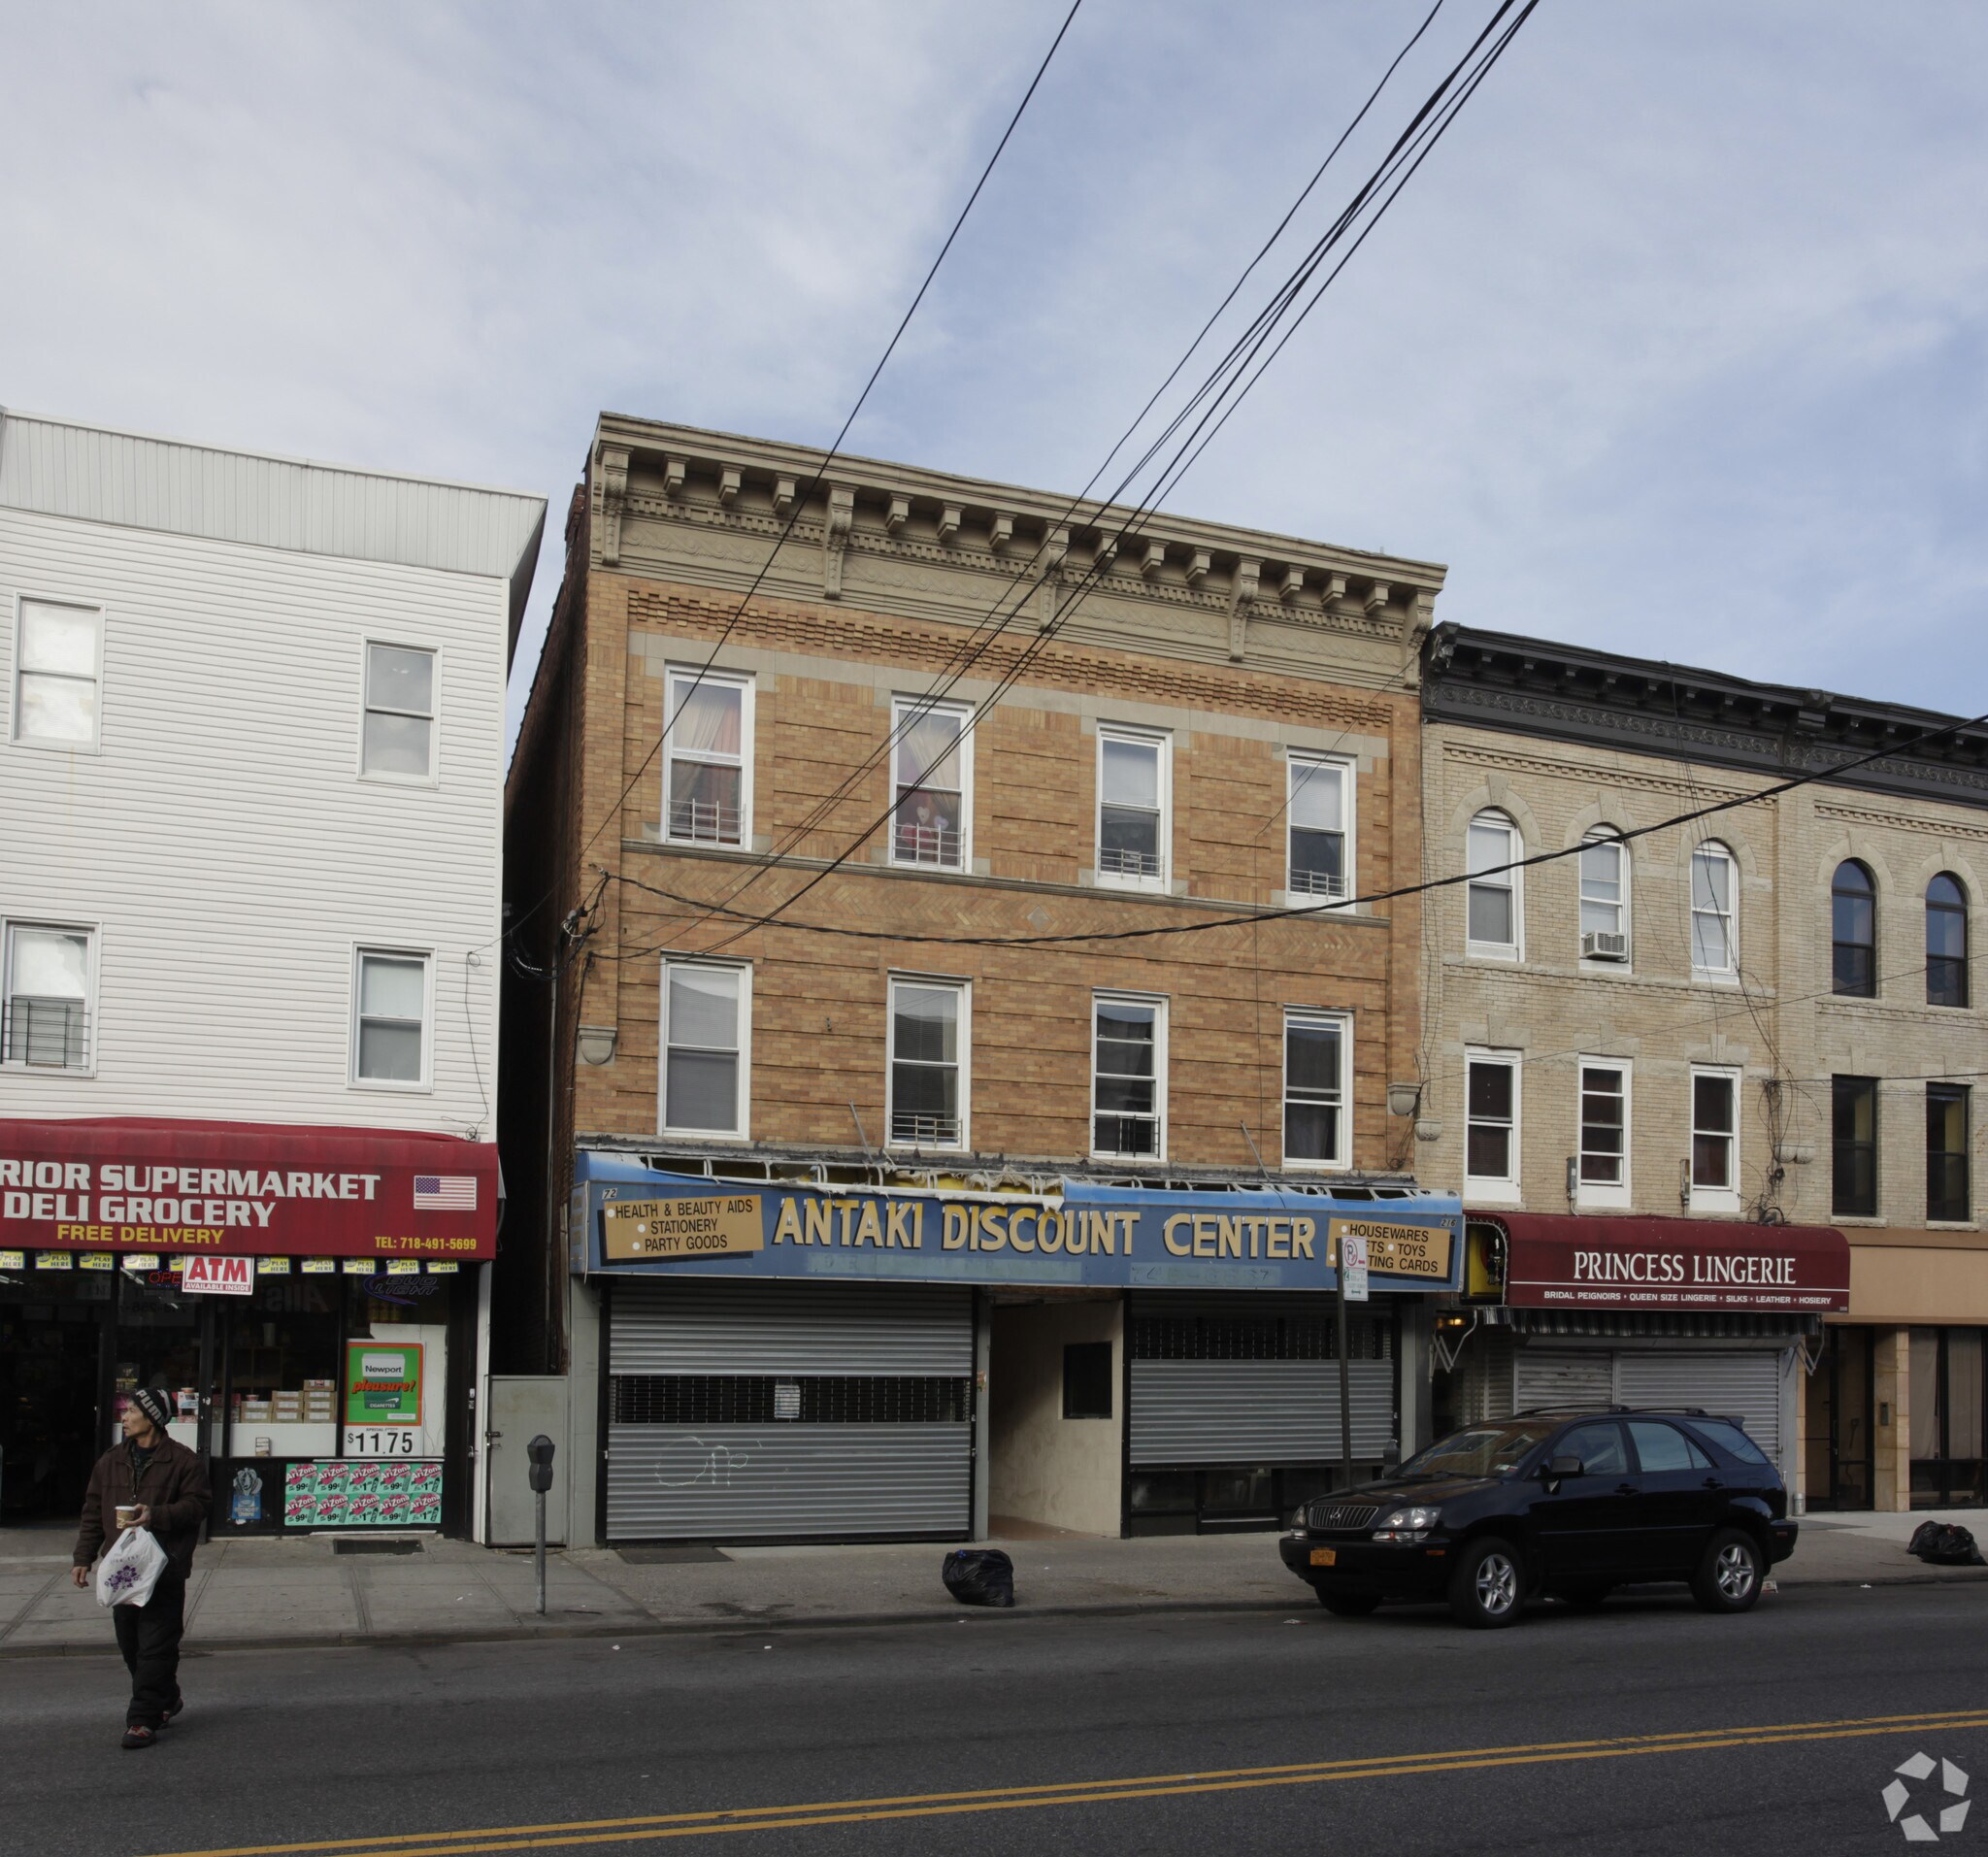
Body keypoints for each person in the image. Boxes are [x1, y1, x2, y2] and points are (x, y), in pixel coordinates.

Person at [72, 1386, 211, 1750]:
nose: (124, 1416)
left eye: (131, 1410)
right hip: (122, 1569)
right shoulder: (111, 1460)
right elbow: (92, 1511)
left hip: (164, 1569)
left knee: (156, 1646)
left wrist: (156, 1515)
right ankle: (166, 1696)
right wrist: (83, 1557)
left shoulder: (184, 1462)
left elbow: (197, 1507)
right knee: (131, 1644)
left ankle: (141, 1720)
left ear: (151, 1417)